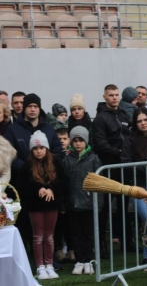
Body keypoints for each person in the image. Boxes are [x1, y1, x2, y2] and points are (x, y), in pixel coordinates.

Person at [4, 93, 63, 250]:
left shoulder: (49, 129)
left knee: (49, 225)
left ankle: (51, 257)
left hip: (48, 183)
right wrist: (27, 169)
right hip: (24, 184)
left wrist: (47, 167)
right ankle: (25, 256)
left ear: (39, 108)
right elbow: (9, 154)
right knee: (25, 223)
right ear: (24, 108)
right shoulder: (13, 129)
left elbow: (58, 152)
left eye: (35, 106)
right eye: (29, 106)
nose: (32, 109)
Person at [18, 131, 66, 280]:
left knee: (49, 236)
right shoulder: (27, 165)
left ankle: (50, 265)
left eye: (42, 148)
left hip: (52, 205)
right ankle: (40, 267)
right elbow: (23, 185)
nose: (39, 151)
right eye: (36, 149)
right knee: (38, 236)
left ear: (47, 148)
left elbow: (63, 181)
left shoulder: (56, 162)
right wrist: (38, 189)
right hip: (35, 206)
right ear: (32, 150)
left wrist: (52, 188)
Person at [93, 84, 134, 255]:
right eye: (111, 95)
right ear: (105, 96)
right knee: (105, 209)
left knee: (124, 208)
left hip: (124, 167)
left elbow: (130, 137)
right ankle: (102, 244)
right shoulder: (100, 118)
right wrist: (118, 152)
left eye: (117, 95)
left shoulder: (124, 115)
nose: (114, 97)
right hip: (108, 168)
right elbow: (99, 143)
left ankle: (127, 242)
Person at [121, 107, 147, 264]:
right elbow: (125, 162)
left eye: (145, 120)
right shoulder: (130, 141)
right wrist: (146, 167)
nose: (143, 123)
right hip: (139, 187)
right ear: (135, 123)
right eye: (139, 121)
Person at [62, 126, 103, 275]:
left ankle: (88, 260)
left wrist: (98, 203)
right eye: (75, 140)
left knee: (88, 235)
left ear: (86, 141)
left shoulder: (93, 158)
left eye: (81, 140)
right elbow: (64, 183)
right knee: (76, 234)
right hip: (73, 205)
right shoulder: (67, 160)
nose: (78, 143)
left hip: (89, 204)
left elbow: (99, 183)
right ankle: (79, 261)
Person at [53, 128, 72, 264]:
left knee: (69, 224)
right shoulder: (54, 157)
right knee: (58, 224)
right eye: (59, 139)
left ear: (69, 140)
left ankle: (71, 249)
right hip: (57, 195)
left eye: (64, 139)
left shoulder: (72, 155)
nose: (62, 141)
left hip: (70, 194)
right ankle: (58, 250)